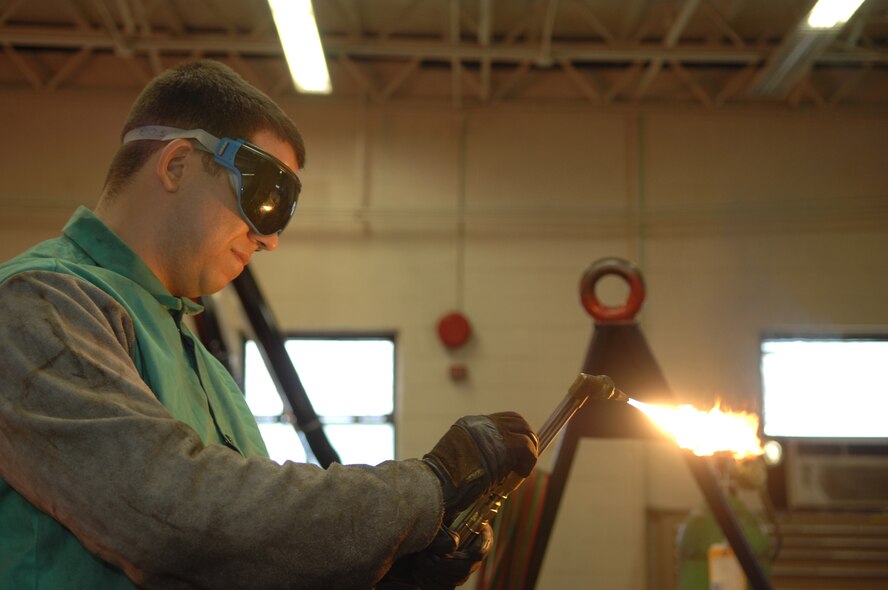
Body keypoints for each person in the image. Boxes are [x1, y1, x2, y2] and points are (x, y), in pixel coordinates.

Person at [0, 60, 539, 589]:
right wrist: (426, 490)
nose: (269, 238)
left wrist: (385, 569)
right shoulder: (38, 302)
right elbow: (171, 514)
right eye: (264, 198)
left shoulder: (201, 364)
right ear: (177, 165)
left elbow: (234, 555)